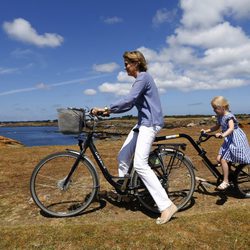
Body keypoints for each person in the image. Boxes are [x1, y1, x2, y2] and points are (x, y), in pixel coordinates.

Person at [91, 50, 177, 224]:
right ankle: (126, 192)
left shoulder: (144, 77)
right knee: (123, 156)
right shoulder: (139, 81)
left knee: (140, 164)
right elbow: (129, 104)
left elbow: (129, 100)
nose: (125, 67)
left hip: (151, 123)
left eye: (127, 63)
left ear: (136, 63)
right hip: (142, 123)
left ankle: (166, 206)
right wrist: (109, 112)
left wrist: (106, 108)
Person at [201, 96, 250, 190]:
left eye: (215, 108)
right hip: (228, 139)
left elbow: (231, 128)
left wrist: (223, 134)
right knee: (219, 159)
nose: (214, 110)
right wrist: (206, 131)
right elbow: (216, 127)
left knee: (223, 159)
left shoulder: (229, 116)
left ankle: (226, 181)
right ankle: (231, 173)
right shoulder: (220, 116)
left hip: (235, 139)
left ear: (222, 107)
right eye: (213, 108)